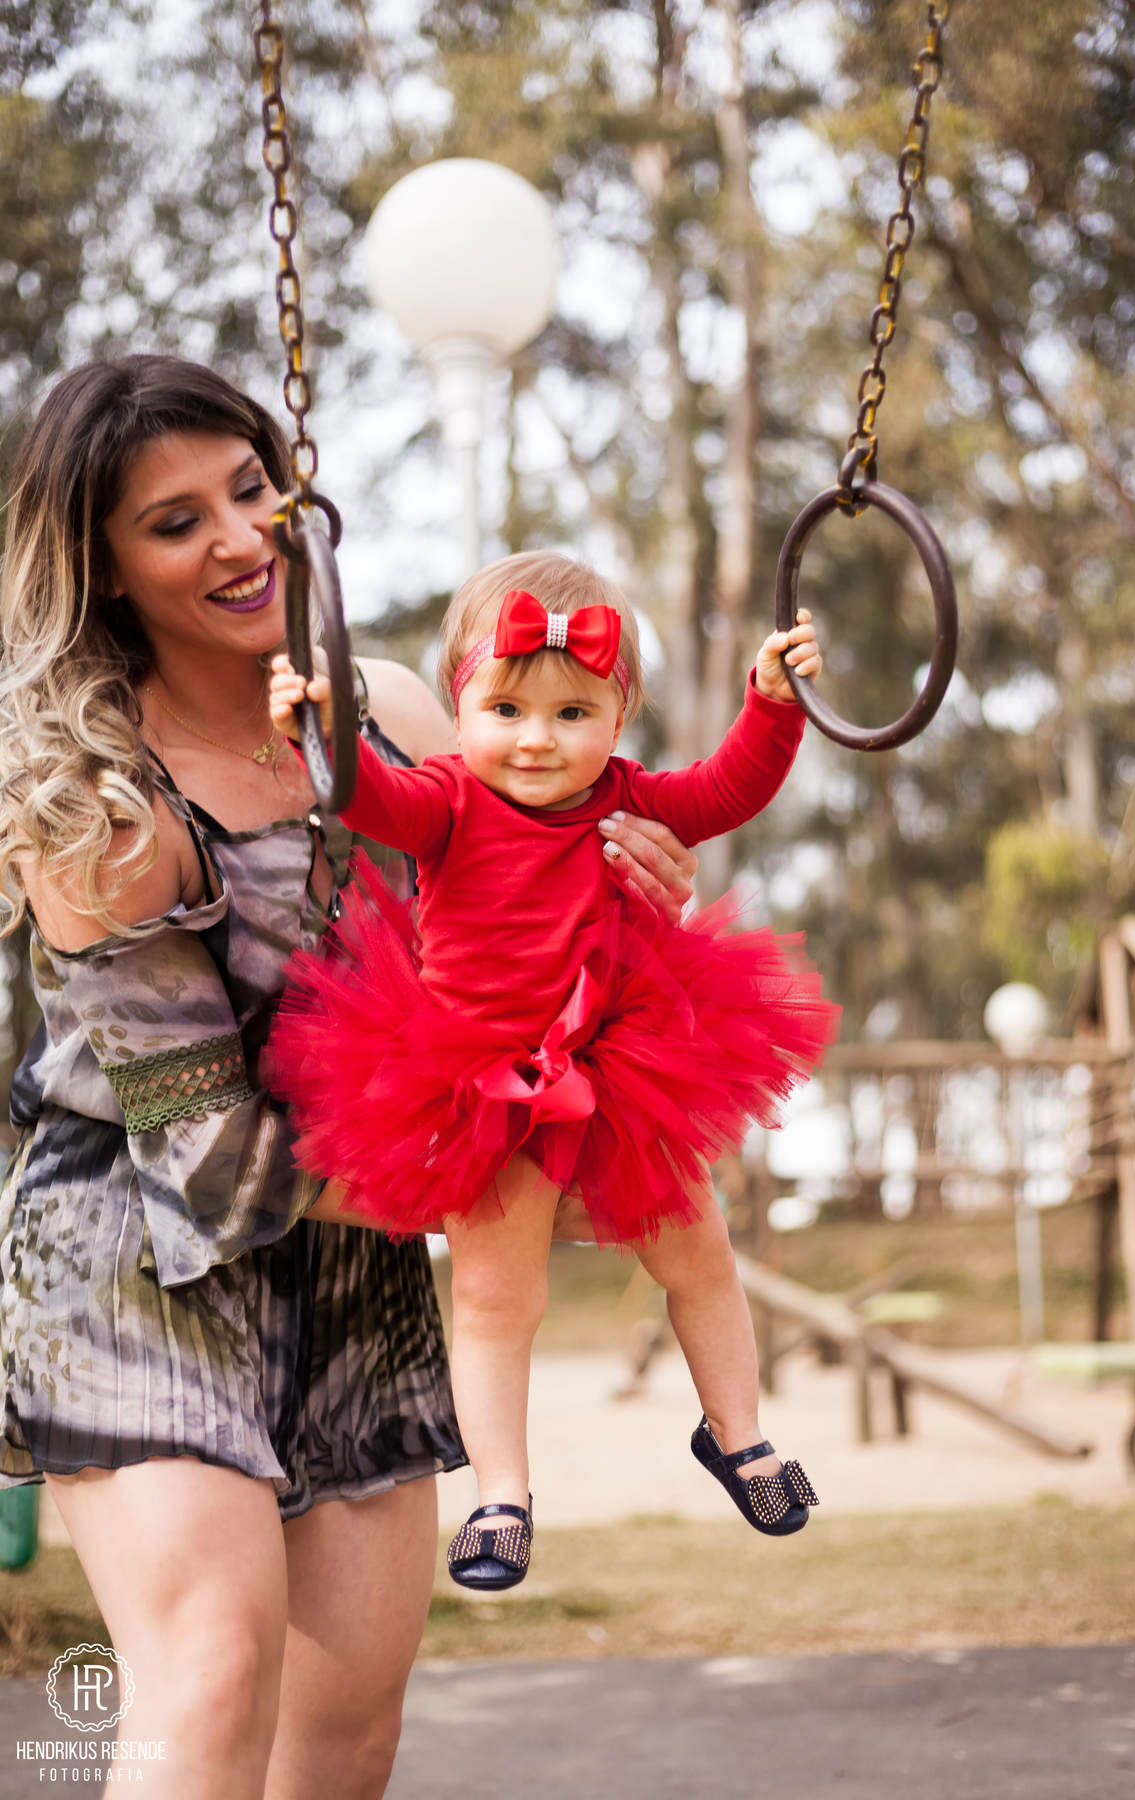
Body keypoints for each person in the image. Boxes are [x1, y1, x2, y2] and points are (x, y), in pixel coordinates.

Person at [0, 354, 699, 1800]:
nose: (244, 538)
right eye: (175, 520)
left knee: (345, 1735)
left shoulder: (391, 711)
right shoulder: (94, 800)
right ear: (106, 568)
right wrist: (513, 1188)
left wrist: (631, 908)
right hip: (142, 1254)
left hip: (363, 1264)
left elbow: (525, 947)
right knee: (210, 1674)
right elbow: (204, 1154)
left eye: (251, 489)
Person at [266, 553, 839, 1593]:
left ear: (619, 719)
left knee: (699, 1251)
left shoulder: (626, 796)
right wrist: (317, 729)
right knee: (495, 1295)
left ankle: (740, 1432)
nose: (537, 738)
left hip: (616, 1064)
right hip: (482, 1081)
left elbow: (726, 788)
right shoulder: (443, 801)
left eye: (574, 712)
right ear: (460, 704)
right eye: (507, 707)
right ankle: (502, 1495)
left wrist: (770, 704)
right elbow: (365, 798)